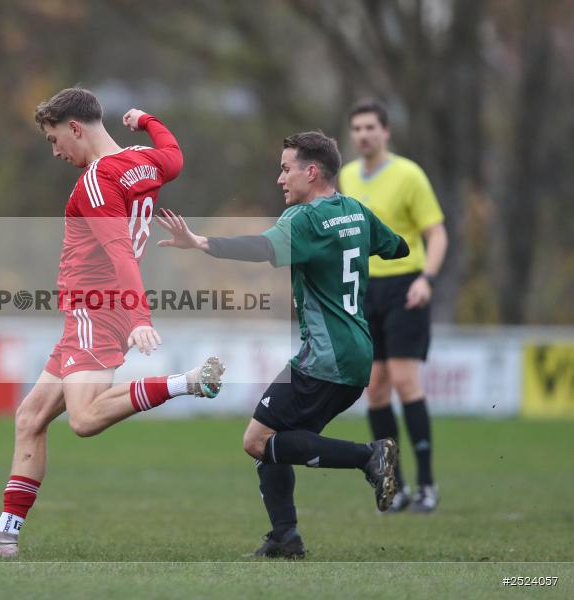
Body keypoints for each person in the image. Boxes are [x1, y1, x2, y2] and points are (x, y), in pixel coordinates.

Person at [0, 87, 225, 558]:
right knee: (31, 417)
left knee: (83, 418)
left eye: (54, 139)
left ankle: (186, 383)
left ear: (75, 128)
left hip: (96, 309)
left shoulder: (97, 181)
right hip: (98, 311)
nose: (56, 151)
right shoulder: (143, 160)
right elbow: (174, 156)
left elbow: (119, 252)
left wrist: (139, 317)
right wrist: (146, 120)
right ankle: (5, 535)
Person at [155, 131, 410, 558]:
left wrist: (201, 243)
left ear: (311, 172)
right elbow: (398, 248)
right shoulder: (355, 211)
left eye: (286, 169)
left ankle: (369, 456)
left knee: (257, 440)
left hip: (325, 356)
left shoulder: (305, 219)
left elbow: (262, 247)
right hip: (356, 354)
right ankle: (285, 538)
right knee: (275, 441)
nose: (280, 179)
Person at [338, 99, 448, 513]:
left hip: (406, 286)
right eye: (357, 128)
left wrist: (426, 279)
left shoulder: (409, 175)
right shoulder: (348, 176)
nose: (363, 135)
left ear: (385, 132)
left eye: (370, 127)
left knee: (405, 382)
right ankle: (395, 485)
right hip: (366, 290)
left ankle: (427, 485)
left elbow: (436, 234)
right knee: (376, 388)